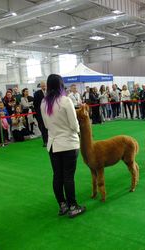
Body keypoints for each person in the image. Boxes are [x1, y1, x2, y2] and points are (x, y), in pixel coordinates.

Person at [41, 74, 85, 218]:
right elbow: (74, 125)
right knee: (68, 176)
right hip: (68, 144)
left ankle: (63, 204)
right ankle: (73, 206)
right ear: (61, 85)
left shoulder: (44, 103)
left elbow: (47, 125)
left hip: (53, 145)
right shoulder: (66, 101)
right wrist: (78, 131)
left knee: (57, 176)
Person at [34, 81, 48, 147]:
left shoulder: (49, 92)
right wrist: (38, 114)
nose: (44, 87)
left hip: (49, 113)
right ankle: (45, 141)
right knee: (43, 128)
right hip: (41, 114)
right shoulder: (37, 93)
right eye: (42, 85)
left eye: (45, 85)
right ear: (41, 86)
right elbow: (35, 104)